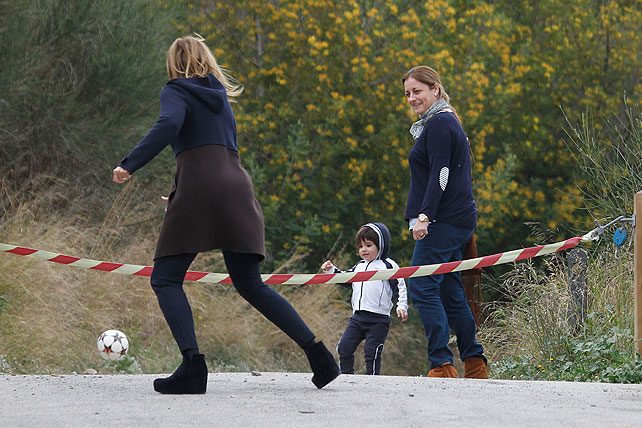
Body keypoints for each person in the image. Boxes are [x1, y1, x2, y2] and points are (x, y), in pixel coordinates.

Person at [112, 35, 339, 394]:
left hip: (200, 187)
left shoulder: (175, 90)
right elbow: (213, 152)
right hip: (236, 186)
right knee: (250, 283)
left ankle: (192, 368)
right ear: (206, 60)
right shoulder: (219, 97)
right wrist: (181, 193)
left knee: (166, 279)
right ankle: (320, 356)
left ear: (174, 63)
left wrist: (130, 164)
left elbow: (170, 127)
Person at [401, 66, 488, 378]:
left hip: (445, 222)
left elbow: (442, 174)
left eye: (418, 91)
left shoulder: (439, 123)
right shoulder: (446, 120)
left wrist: (424, 217)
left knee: (422, 284)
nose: (412, 98)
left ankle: (441, 363)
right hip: (458, 220)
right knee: (450, 290)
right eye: (408, 93)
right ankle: (475, 363)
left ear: (435, 89)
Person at [321, 222, 408, 375]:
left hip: (378, 320)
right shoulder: (359, 266)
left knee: (372, 353)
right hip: (358, 318)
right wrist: (331, 270)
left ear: (381, 245)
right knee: (344, 348)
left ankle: (372, 381)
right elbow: (346, 279)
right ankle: (347, 378)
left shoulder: (388, 265)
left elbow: (399, 286)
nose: (364, 250)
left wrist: (401, 306)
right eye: (360, 247)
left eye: (368, 245)